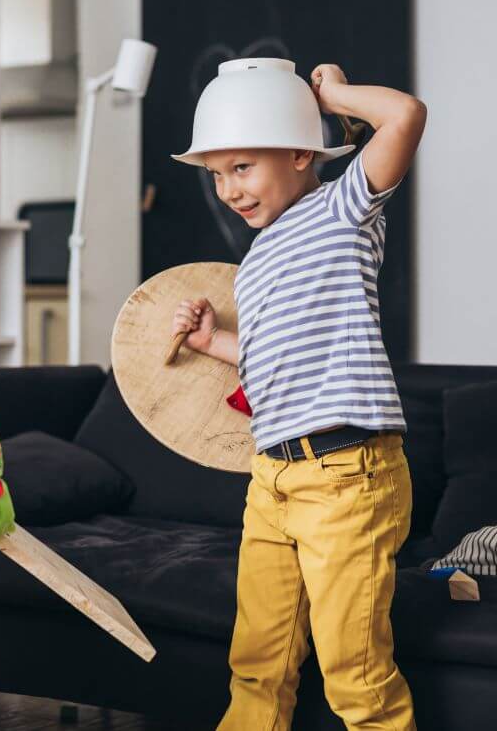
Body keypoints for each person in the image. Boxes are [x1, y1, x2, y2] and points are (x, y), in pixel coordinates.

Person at [171, 60, 427, 730]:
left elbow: (404, 116)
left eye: (243, 167)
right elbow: (273, 360)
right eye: (217, 174)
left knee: (357, 677)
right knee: (256, 665)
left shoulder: (342, 209)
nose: (228, 189)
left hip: (346, 476)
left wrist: (332, 97)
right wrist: (214, 344)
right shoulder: (256, 260)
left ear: (297, 151)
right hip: (273, 477)